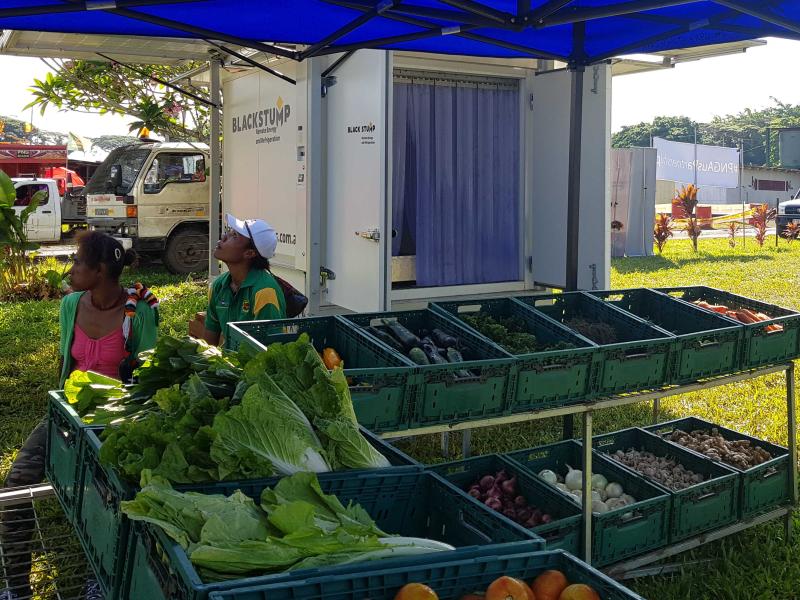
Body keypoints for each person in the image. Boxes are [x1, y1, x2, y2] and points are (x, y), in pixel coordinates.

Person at [0, 232, 159, 600]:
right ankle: (17, 588)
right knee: (17, 485)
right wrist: (58, 413)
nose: (69, 269)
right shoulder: (71, 304)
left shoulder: (139, 311)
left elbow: (148, 377)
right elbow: (65, 363)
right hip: (68, 413)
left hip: (114, 419)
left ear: (100, 270)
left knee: (106, 500)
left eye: (76, 261)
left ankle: (98, 580)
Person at [203, 214, 286, 347]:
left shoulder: (264, 292)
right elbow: (208, 343)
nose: (223, 238)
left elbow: (269, 350)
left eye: (234, 236)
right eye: (228, 232)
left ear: (250, 253)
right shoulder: (219, 285)